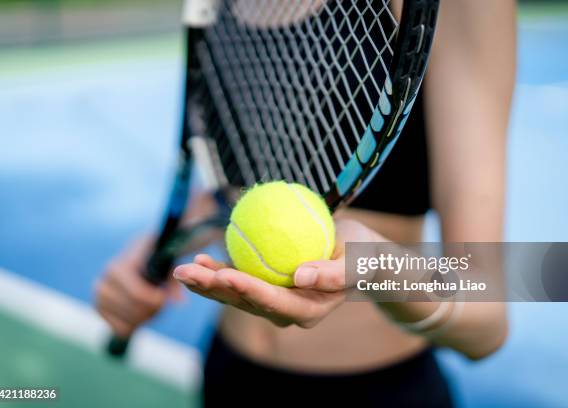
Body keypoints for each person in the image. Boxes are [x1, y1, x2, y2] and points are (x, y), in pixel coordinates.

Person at [96, 1, 516, 406]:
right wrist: (162, 246)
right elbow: (239, 190)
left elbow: (487, 318)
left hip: (378, 394)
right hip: (228, 375)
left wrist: (376, 266)